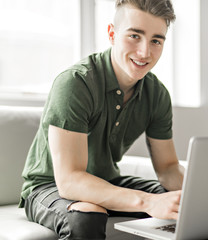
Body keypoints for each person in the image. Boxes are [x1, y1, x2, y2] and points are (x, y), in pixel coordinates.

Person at [19, 0, 184, 239]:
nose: (145, 52)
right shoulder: (76, 83)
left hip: (107, 180)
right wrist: (147, 202)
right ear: (112, 34)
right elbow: (69, 181)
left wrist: (197, 194)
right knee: (87, 216)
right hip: (50, 185)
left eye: (156, 40)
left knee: (180, 204)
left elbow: (168, 168)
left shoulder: (157, 94)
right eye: (135, 36)